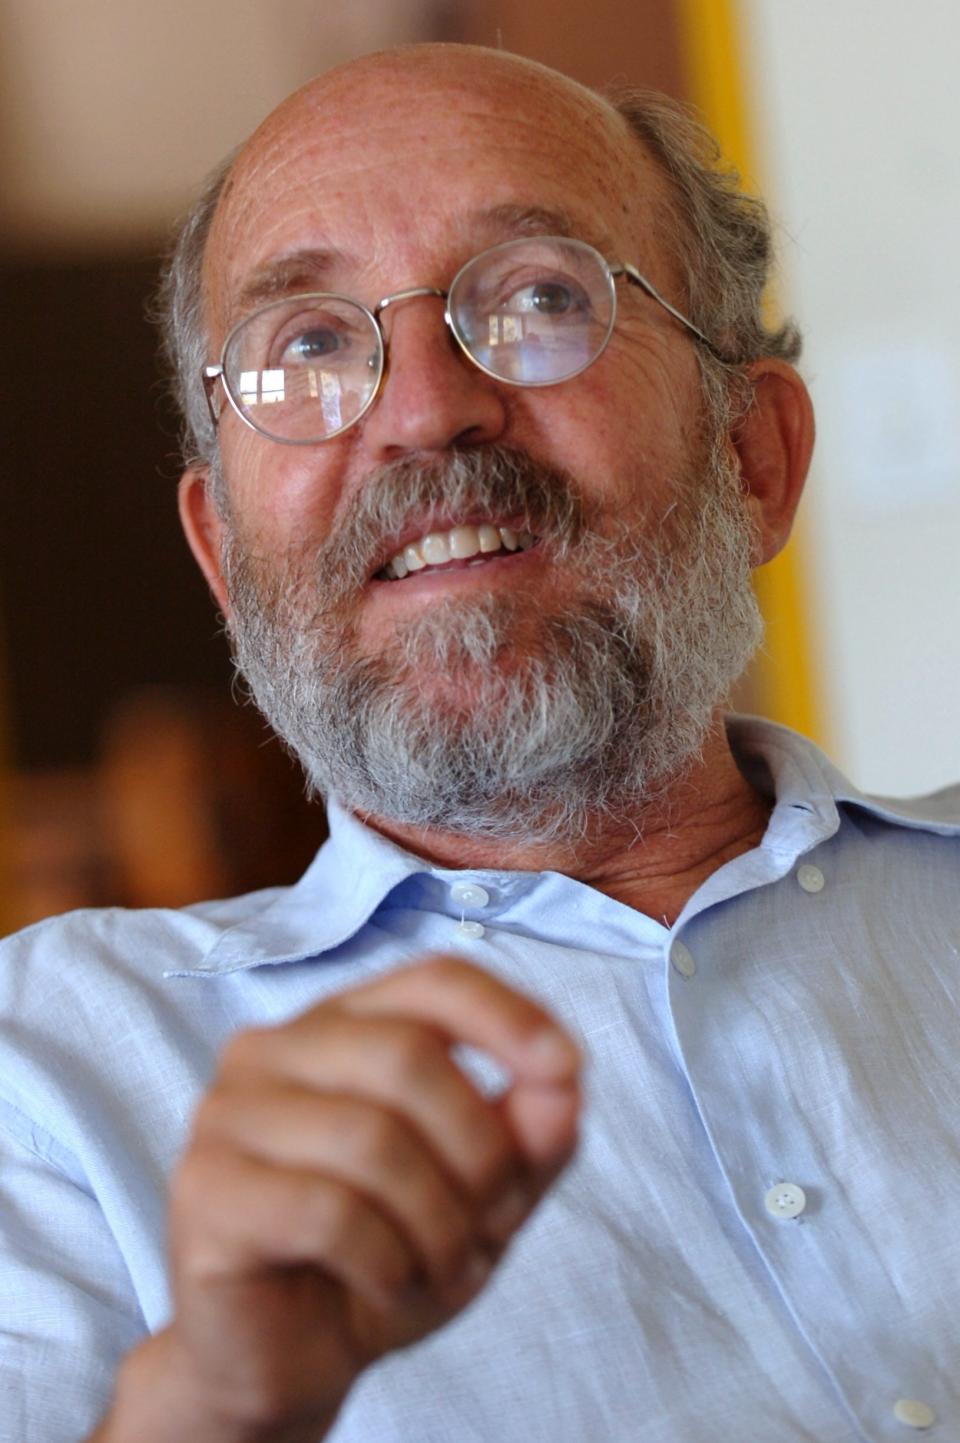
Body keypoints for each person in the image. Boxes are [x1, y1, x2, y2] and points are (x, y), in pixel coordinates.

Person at [1, 41, 958, 1443]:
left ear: (753, 460)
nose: (426, 405)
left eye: (539, 300)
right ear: (226, 560)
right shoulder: (45, 1073)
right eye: (309, 345)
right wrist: (206, 1404)